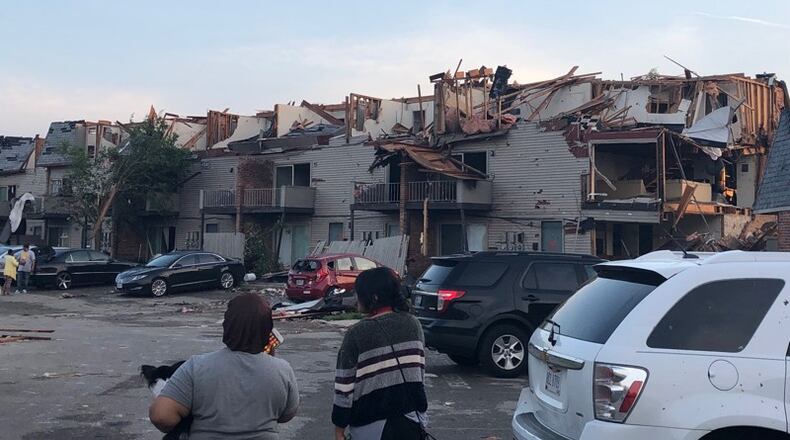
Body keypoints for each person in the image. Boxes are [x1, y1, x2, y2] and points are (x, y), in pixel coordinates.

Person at [149, 293, 300, 439]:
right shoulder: (282, 370)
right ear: (268, 329)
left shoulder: (197, 367)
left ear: (227, 326)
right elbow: (287, 414)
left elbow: (161, 416)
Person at [333, 267, 428, 440]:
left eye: (359, 293)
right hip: (411, 420)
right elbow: (419, 372)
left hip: (369, 424)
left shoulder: (356, 333)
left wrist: (339, 427)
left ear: (374, 298)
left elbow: (344, 387)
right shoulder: (413, 324)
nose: (356, 299)